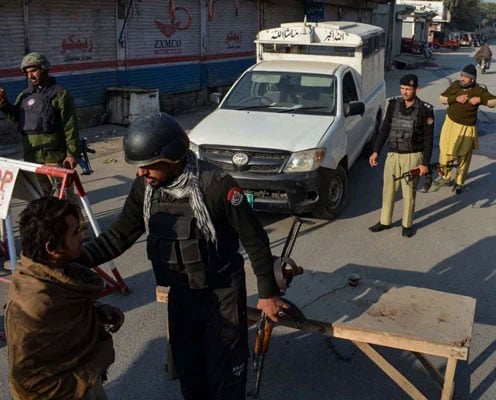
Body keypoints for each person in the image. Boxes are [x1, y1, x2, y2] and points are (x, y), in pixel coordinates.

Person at [78, 113, 286, 399]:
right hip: (182, 296)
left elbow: (255, 239)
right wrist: (68, 261)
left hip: (222, 294)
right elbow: (118, 237)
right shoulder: (146, 188)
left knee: (226, 381)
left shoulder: (216, 185)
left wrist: (267, 293)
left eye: (148, 166)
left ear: (173, 156)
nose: (141, 173)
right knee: (191, 378)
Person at [5, 196, 124, 400]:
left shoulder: (55, 275)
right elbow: (29, 383)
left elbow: (61, 322)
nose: (82, 237)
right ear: (52, 248)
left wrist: (95, 314)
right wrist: (90, 370)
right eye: (75, 233)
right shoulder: (33, 306)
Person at [0, 52, 80, 195]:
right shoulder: (24, 96)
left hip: (54, 157)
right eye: (27, 72)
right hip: (32, 157)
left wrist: (72, 154)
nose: (31, 76)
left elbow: (70, 126)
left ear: (44, 69)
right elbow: (17, 118)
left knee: (64, 196)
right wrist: (4, 104)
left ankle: (74, 217)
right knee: (41, 196)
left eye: (34, 71)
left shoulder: (61, 94)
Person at [368, 74, 434, 238]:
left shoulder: (425, 110)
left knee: (409, 192)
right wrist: (376, 150)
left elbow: (428, 139)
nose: (405, 92)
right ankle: (385, 220)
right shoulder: (393, 105)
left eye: (408, 89)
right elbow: (384, 129)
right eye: (402, 89)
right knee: (388, 189)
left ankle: (407, 224)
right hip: (393, 155)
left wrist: (425, 164)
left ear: (416, 89)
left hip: (412, 156)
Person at [433, 64, 496, 194]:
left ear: (473, 80)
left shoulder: (478, 90)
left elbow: (495, 101)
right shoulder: (455, 85)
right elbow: (441, 98)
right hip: (450, 125)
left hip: (467, 128)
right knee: (445, 152)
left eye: (466, 77)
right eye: (462, 75)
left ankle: (459, 182)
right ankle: (445, 177)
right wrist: (455, 98)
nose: (462, 78)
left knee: (464, 157)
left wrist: (480, 100)